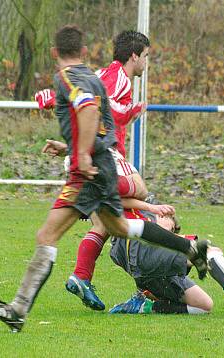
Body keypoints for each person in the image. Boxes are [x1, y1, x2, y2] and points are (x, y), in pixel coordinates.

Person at [0, 25, 209, 333]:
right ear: (85, 52)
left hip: (88, 172)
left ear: (54, 54)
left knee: (47, 237)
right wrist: (73, 146)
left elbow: (88, 111)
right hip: (104, 164)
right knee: (120, 227)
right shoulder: (94, 76)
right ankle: (189, 248)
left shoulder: (67, 78)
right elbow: (104, 123)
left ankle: (18, 310)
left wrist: (83, 155)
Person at [37, 30, 166, 311]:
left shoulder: (110, 74)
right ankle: (149, 284)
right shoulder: (117, 76)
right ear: (134, 55)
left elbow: (85, 99)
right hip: (103, 158)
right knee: (140, 191)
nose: (146, 63)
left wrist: (69, 144)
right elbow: (94, 103)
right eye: (145, 57)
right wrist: (129, 112)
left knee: (104, 224)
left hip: (95, 155)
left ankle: (82, 277)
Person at [107, 208, 224, 315]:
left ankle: (142, 306)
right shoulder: (147, 215)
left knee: (204, 306)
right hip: (143, 253)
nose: (171, 232)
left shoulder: (130, 220)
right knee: (208, 249)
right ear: (161, 215)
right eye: (170, 227)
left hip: (147, 273)